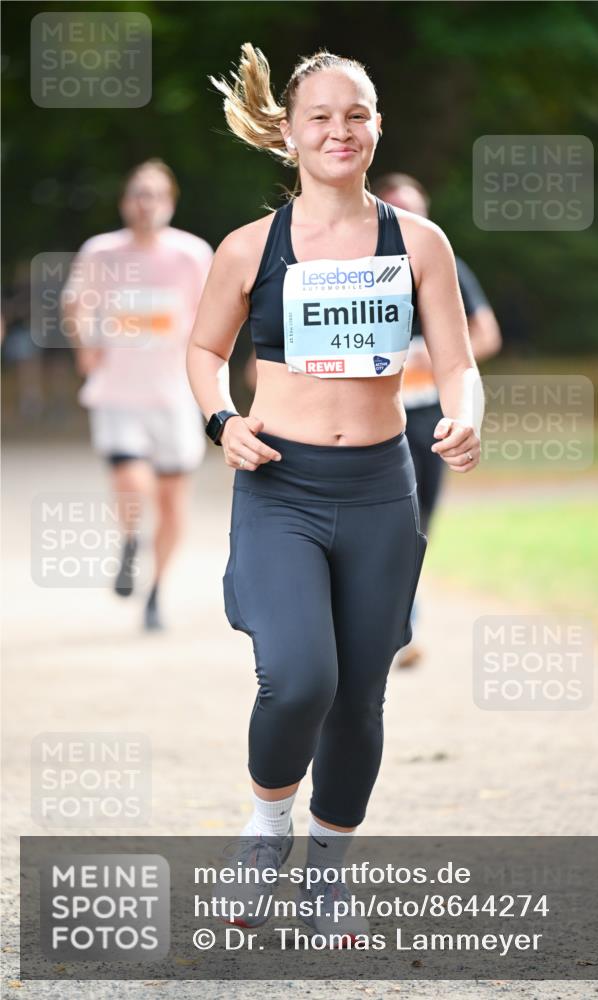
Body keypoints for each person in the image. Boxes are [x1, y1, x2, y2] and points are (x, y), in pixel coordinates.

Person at [187, 44, 484, 944]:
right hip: (281, 484)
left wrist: (465, 416)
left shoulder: (417, 242)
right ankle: (267, 824)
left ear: (376, 124)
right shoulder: (250, 248)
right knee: (298, 678)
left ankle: (326, 870)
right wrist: (219, 420)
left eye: (355, 113)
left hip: (379, 491)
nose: (338, 130)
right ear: (288, 132)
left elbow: (460, 363)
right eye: (319, 115)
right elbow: (203, 353)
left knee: (359, 694)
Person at [61, 160, 214, 630]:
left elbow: (213, 318)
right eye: (136, 194)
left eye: (154, 195)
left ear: (169, 202)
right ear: (125, 202)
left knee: (171, 501)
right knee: (131, 482)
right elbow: (77, 305)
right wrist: (85, 343)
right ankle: (130, 540)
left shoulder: (191, 254)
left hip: (172, 395)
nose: (144, 204)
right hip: (118, 391)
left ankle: (156, 591)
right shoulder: (102, 252)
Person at [372, 174, 502, 667]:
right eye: (395, 209)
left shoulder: (446, 264)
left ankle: (398, 622)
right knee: (382, 523)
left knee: (415, 525)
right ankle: (396, 627)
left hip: (427, 416)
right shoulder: (349, 269)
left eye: (413, 209)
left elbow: (485, 335)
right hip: (370, 416)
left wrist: (436, 356)